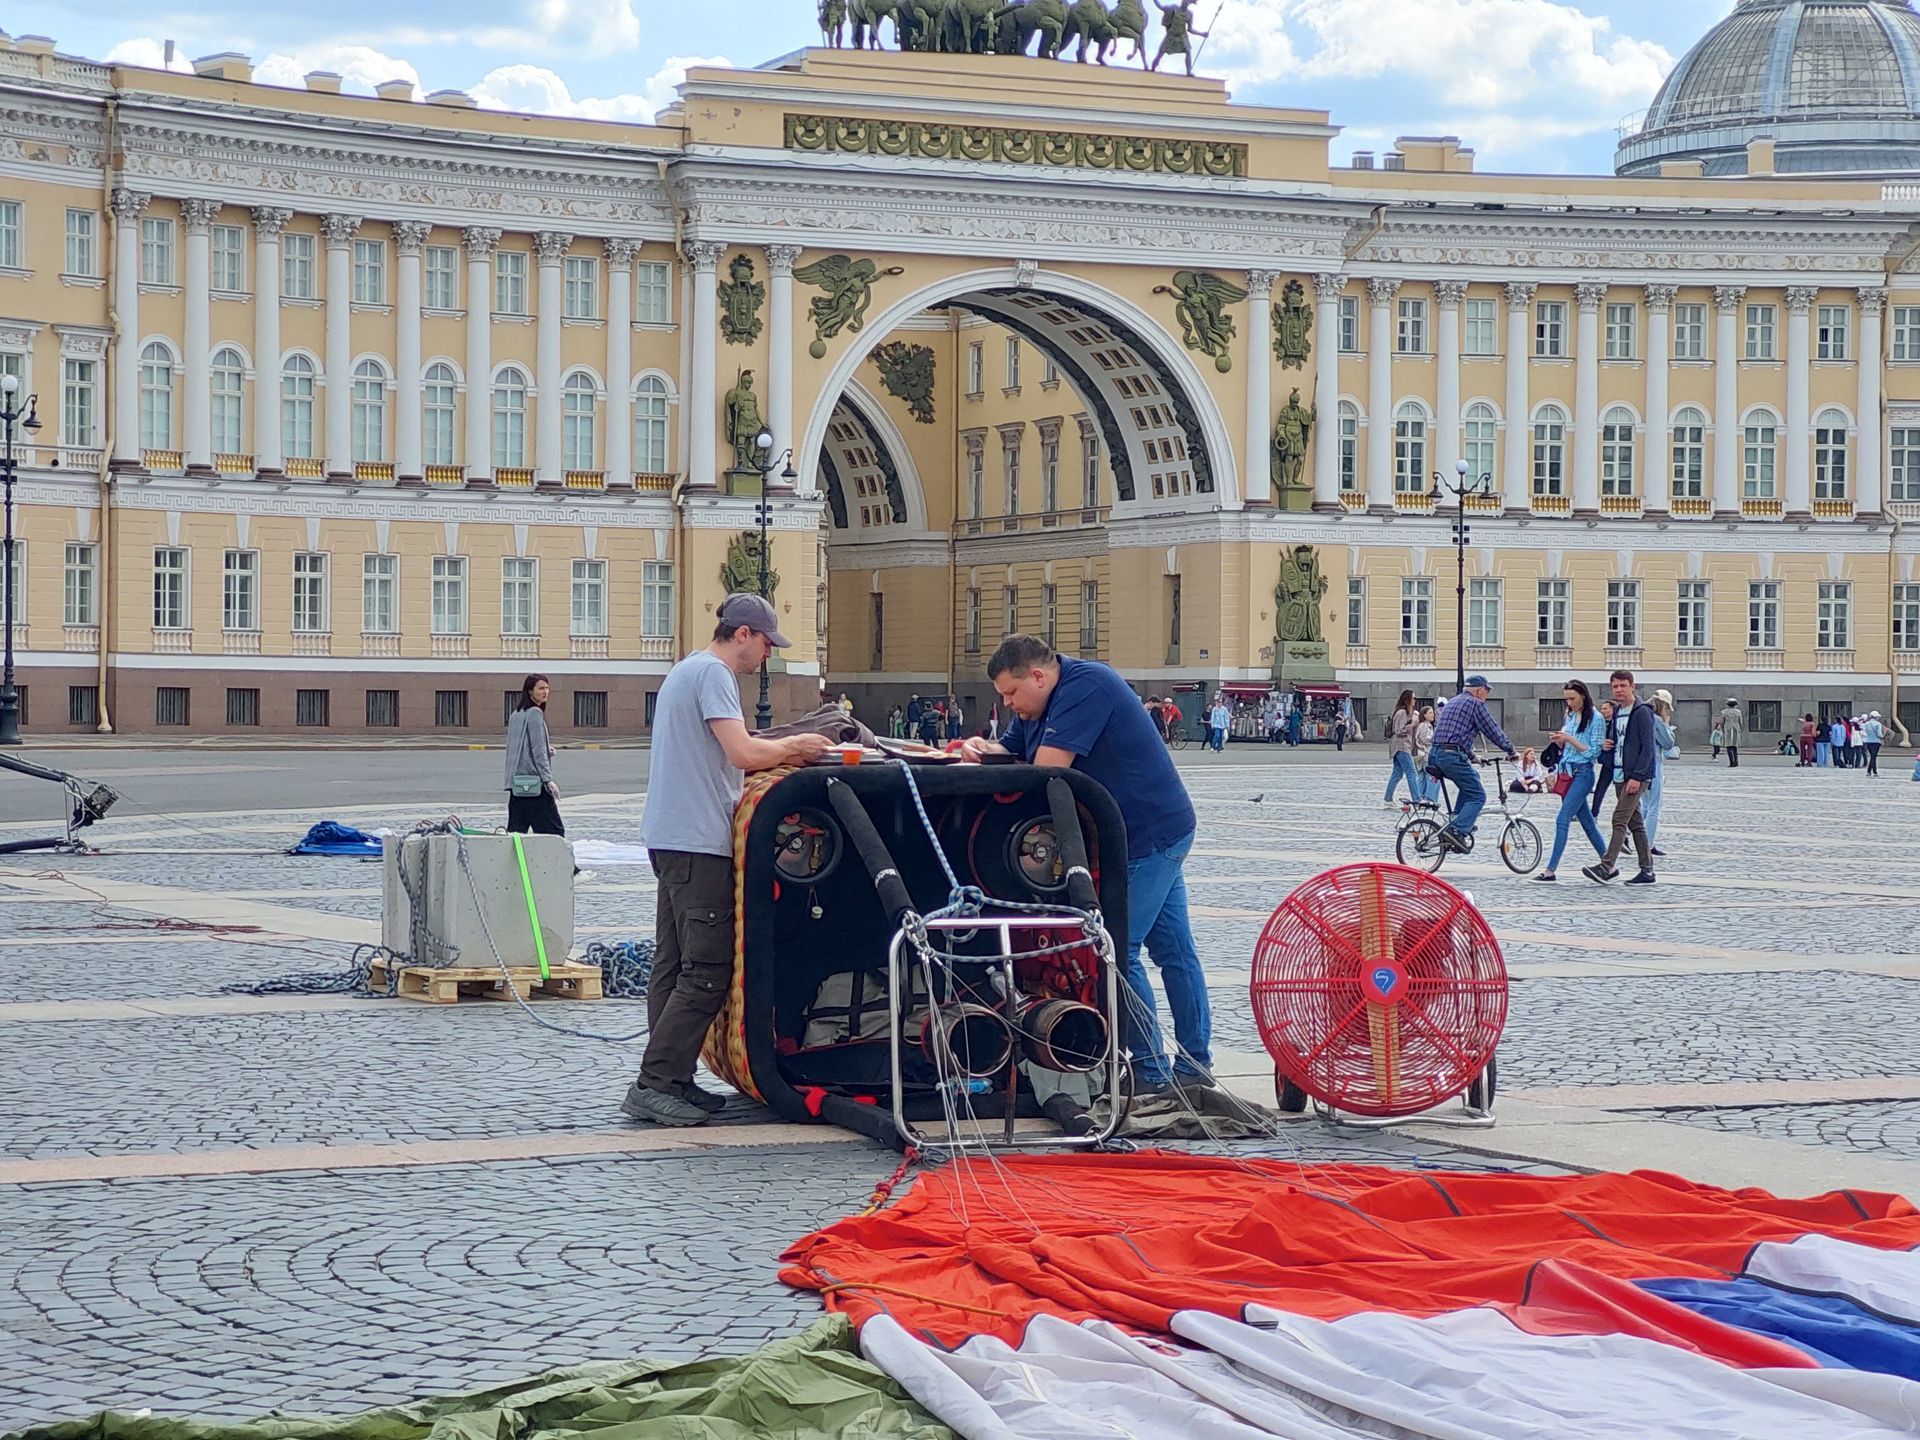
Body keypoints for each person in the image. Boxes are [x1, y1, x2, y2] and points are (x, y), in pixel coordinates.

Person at [960, 635, 1219, 1108]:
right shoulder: (1036, 709)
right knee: (1174, 949)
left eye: (1012, 693)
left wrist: (1000, 756)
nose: (1008, 704)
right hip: (1136, 837)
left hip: (1149, 836)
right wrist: (982, 747)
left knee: (1122, 950)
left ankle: (1151, 1070)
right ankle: (1193, 1065)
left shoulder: (1088, 685)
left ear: (1039, 676)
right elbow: (1010, 751)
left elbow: (1045, 770)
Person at [622, 593, 832, 1128]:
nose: (767, 654)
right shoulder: (715, 675)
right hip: (697, 841)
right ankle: (657, 1082)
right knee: (707, 969)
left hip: (670, 837)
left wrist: (776, 743)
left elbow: (731, 746)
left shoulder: (686, 670)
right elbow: (743, 755)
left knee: (671, 966)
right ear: (742, 634)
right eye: (765, 643)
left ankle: (672, 1079)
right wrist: (797, 747)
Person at [1426, 675, 1517, 853]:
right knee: (1478, 795)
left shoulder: (1453, 701)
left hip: (1436, 754)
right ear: (1478, 690)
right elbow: (1492, 729)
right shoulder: (1476, 704)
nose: (1487, 695)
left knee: (1470, 780)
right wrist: (1511, 750)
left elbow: (1455, 733)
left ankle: (1457, 820)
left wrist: (1473, 756)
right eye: (1487, 691)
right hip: (1451, 756)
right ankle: (1457, 829)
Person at [1583, 670, 1657, 886]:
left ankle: (1607, 866)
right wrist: (1607, 746)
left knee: (1619, 819)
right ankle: (1647, 871)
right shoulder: (1617, 713)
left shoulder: (1642, 712)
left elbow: (1648, 748)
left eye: (1623, 686)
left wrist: (1638, 776)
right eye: (1615, 686)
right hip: (1619, 774)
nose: (1619, 690)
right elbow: (1617, 742)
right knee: (1636, 824)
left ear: (1632, 686)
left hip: (1634, 777)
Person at [1534, 679, 1607, 883]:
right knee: (1588, 823)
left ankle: (1550, 870)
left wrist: (1570, 740)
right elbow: (1568, 747)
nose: (1569, 703)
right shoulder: (1571, 715)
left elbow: (1594, 751)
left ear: (1583, 695)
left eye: (1572, 699)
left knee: (1562, 818)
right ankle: (1609, 862)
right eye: (1566, 699)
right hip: (1567, 773)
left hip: (1583, 773)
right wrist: (1559, 741)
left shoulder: (1596, 719)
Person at [505, 674, 565, 836]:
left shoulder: (516, 714)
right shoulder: (535, 713)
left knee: (516, 834)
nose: (545, 692)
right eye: (540, 688)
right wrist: (548, 780)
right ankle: (557, 862)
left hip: (516, 784)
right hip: (534, 785)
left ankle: (516, 862)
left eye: (547, 688)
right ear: (530, 691)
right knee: (554, 832)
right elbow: (537, 750)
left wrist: (547, 749)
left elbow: (517, 747)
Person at [1644, 690, 1677, 858]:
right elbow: (1668, 743)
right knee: (1653, 807)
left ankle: (1630, 835)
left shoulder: (1642, 715)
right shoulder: (1656, 720)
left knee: (1644, 804)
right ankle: (1648, 843)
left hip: (1641, 765)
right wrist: (1667, 725)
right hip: (1654, 763)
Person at [1384, 690, 1421, 807]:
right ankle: (1416, 799)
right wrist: (1413, 725)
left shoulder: (1405, 712)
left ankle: (1388, 799)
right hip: (1401, 745)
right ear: (1408, 699)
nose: (1415, 701)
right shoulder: (1402, 712)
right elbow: (1398, 730)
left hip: (1401, 745)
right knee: (1411, 772)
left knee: (1397, 773)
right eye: (1414, 698)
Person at [1411, 704, 1437, 802]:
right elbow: (1423, 739)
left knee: (1422, 776)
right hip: (1425, 753)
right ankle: (1429, 798)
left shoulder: (1428, 725)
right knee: (1430, 776)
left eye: (1432, 712)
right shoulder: (1423, 725)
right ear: (1424, 715)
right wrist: (1435, 739)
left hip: (1424, 753)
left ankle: (1419, 797)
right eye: (1430, 713)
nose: (1432, 715)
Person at [1716, 698, 1743, 768]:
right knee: (1735, 746)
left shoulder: (1724, 712)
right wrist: (1740, 728)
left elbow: (1722, 722)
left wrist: (1722, 729)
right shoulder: (1738, 712)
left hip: (1727, 729)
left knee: (1729, 747)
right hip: (1736, 729)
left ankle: (1732, 762)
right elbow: (1741, 722)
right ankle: (1736, 762)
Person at [1865, 711, 1885, 775]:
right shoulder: (1878, 724)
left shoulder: (1867, 723)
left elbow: (1865, 732)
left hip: (1868, 741)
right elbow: (1879, 734)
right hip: (1876, 742)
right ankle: (1874, 771)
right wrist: (1883, 736)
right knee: (1873, 757)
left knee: (1872, 756)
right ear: (1876, 717)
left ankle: (1869, 771)